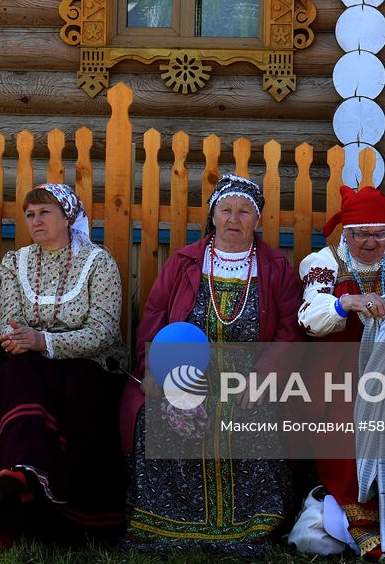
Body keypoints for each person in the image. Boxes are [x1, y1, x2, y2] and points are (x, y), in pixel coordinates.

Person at [122, 174, 304, 554]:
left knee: (255, 417)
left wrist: (263, 378)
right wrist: (155, 370)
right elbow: (155, 317)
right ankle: (168, 525)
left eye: (244, 212)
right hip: (187, 369)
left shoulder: (276, 268)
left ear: (257, 220)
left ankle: (251, 526)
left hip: (250, 373)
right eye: (226, 210)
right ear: (213, 216)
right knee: (157, 415)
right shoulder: (185, 262)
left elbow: (289, 331)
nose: (233, 219)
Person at [297, 185, 385, 560]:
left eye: (379, 233)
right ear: (345, 232)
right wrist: (345, 304)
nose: (371, 243)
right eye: (361, 234)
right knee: (349, 438)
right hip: (341, 379)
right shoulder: (324, 263)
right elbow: (309, 318)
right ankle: (360, 526)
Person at [0, 183, 126, 547]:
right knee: (15, 373)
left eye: (44, 212)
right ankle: (20, 479)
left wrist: (45, 341)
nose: (36, 221)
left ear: (68, 217)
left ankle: (37, 496)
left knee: (68, 385)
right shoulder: (16, 262)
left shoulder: (97, 261)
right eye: (30, 215)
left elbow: (105, 332)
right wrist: (27, 342)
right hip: (30, 362)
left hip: (86, 363)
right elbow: (9, 325)